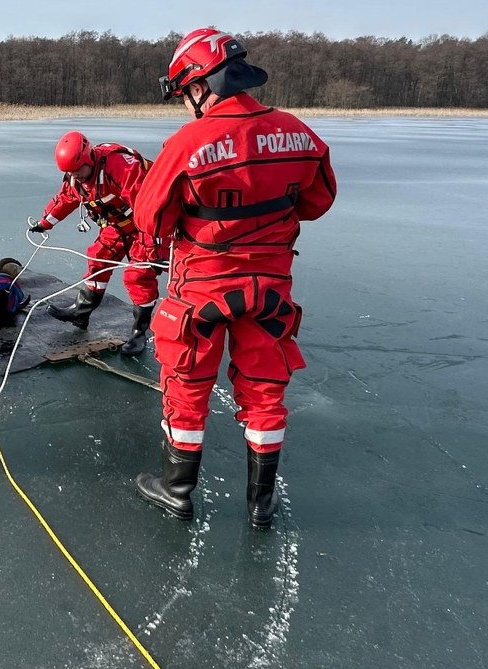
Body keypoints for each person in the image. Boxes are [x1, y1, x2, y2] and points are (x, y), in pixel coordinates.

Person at [132, 28, 337, 527]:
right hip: (270, 289)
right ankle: (260, 504)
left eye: (185, 94)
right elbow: (318, 201)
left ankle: (177, 490)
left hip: (202, 289)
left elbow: (149, 218)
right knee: (265, 388)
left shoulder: (187, 143)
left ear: (200, 86)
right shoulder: (299, 133)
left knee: (186, 383)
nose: (186, 105)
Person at [30, 131, 162, 356]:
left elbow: (149, 208)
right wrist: (45, 223)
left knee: (137, 276)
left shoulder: (121, 166)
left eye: (77, 170)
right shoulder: (76, 178)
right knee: (97, 257)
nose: (75, 176)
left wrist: (153, 248)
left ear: (88, 158)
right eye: (70, 172)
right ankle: (81, 313)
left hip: (146, 227)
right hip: (118, 225)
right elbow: (66, 199)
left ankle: (139, 333)